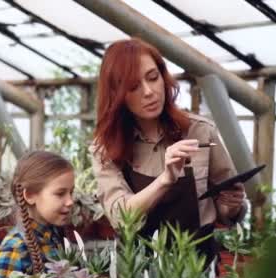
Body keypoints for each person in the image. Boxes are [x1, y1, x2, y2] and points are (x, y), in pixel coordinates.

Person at [91, 38, 247, 261]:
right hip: (140, 270)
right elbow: (120, 217)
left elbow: (227, 209)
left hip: (199, 268)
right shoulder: (105, 147)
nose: (149, 91)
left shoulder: (200, 131)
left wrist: (231, 206)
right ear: (117, 95)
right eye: (133, 87)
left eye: (153, 78)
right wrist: (166, 179)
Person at [0, 151, 74, 278]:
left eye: (71, 192)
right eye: (60, 193)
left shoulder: (54, 235)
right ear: (30, 195)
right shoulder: (14, 250)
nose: (70, 201)